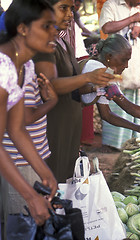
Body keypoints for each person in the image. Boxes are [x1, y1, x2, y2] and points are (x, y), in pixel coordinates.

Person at [33, 0, 114, 183]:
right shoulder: (44, 43)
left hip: (69, 123)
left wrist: (93, 86)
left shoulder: (64, 42)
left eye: (71, 9)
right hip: (54, 124)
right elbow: (50, 85)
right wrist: (87, 78)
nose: (70, 14)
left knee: (65, 180)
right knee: (54, 179)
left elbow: (71, 83)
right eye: (63, 8)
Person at [0, 0, 58, 228]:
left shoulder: (25, 66)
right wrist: (30, 196)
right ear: (22, 29)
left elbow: (17, 128)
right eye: (46, 26)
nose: (54, 31)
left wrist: (45, 173)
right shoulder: (3, 67)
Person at [99, 0, 140, 150]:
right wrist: (131, 19)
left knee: (136, 105)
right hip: (118, 67)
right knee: (117, 102)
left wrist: (139, 29)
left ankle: (133, 143)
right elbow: (106, 27)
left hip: (138, 67)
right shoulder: (111, 5)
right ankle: (113, 147)